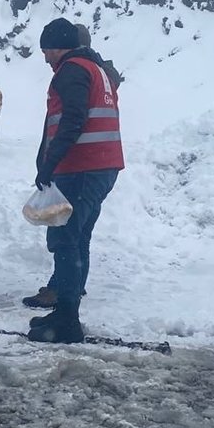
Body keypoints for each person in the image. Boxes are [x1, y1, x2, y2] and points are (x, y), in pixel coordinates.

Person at [27, 18, 124, 343]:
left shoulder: (72, 70)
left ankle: (67, 322)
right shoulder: (97, 70)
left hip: (82, 167)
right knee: (78, 236)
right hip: (100, 166)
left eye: (46, 51)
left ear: (58, 47)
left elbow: (73, 118)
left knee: (65, 238)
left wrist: (49, 164)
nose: (45, 59)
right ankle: (66, 310)